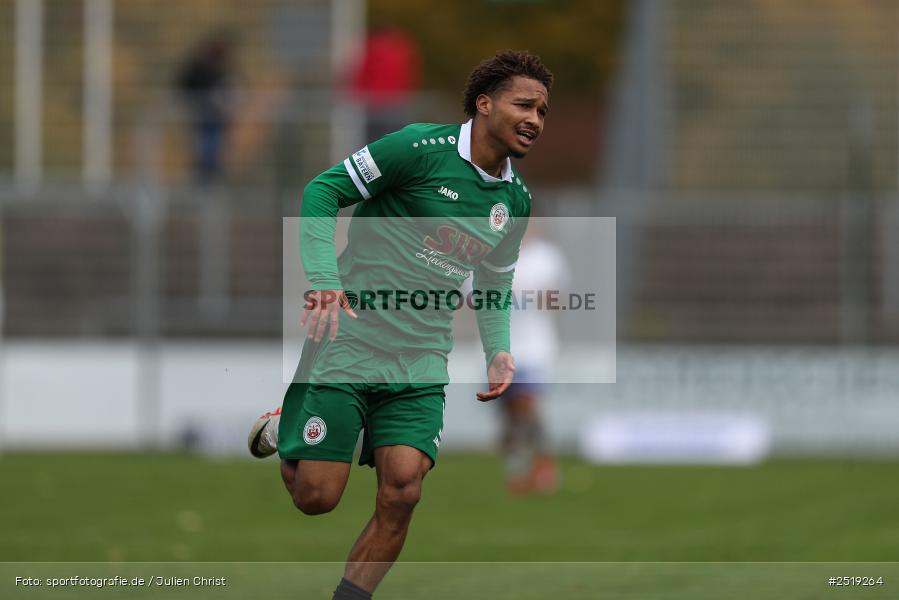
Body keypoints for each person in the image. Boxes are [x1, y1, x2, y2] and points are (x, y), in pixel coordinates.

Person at [248, 50, 552, 600]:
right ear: (484, 104)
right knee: (316, 498)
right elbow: (323, 190)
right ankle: (286, 425)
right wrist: (324, 281)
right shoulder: (418, 148)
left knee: (404, 490)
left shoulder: (515, 199)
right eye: (524, 104)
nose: (535, 119)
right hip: (351, 338)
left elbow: (494, 281)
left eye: (543, 111)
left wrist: (498, 349)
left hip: (421, 358)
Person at [499, 228, 569, 495]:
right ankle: (517, 471)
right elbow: (473, 297)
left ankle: (544, 463)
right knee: (508, 414)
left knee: (527, 404)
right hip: (500, 347)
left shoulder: (547, 257)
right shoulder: (490, 252)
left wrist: (534, 297)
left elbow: (561, 300)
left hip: (536, 346)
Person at [175, 30, 237, 182]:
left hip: (213, 120)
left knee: (211, 151)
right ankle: (205, 174)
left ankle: (208, 174)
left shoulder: (219, 70)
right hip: (205, 119)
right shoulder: (201, 68)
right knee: (206, 151)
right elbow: (184, 86)